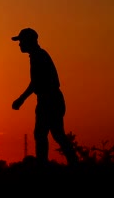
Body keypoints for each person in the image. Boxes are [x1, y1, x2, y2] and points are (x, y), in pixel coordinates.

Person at [11, 28, 78, 166]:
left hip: (49, 99)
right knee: (55, 134)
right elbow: (36, 82)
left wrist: (21, 99)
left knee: (42, 134)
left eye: (21, 41)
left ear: (29, 41)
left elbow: (36, 83)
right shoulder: (38, 55)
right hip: (50, 99)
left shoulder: (38, 56)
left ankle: (43, 168)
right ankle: (73, 164)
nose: (19, 44)